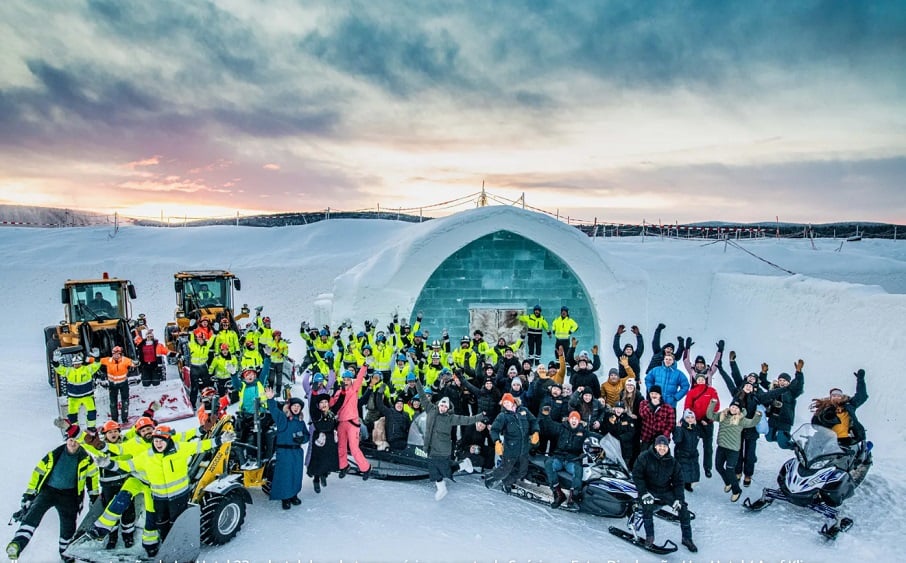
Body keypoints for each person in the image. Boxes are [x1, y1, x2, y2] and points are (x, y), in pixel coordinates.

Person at [95, 425, 228, 557]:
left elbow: (201, 445)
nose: (158, 443)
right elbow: (127, 465)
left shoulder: (180, 448)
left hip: (179, 496)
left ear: (168, 440)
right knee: (161, 523)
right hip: (159, 498)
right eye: (155, 440)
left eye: (161, 440)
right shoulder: (147, 456)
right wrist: (108, 464)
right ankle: (166, 548)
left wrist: (221, 440)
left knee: (177, 523)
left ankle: (179, 549)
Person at [6, 425, 100, 561]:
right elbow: (37, 474)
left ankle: (66, 555)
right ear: (67, 440)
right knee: (33, 514)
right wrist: (29, 495)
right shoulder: (54, 455)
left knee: (68, 527)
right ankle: (17, 544)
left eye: (76, 441)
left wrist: (94, 497)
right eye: (71, 440)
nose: (73, 443)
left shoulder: (86, 459)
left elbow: (92, 479)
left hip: (69, 496)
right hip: (48, 491)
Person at [417, 373, 485, 500]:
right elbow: (422, 397)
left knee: (445, 469)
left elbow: (467, 420)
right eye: (442, 405)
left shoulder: (450, 418)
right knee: (433, 468)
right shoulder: (431, 410)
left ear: (448, 408)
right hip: (431, 447)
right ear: (438, 405)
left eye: (445, 406)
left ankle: (463, 464)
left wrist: (480, 416)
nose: (443, 408)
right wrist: (417, 382)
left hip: (443, 448)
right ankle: (442, 487)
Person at [632, 435, 697, 553]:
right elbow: (637, 475)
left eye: (664, 446)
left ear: (668, 447)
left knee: (683, 509)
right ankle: (649, 537)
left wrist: (679, 499)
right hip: (649, 490)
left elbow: (679, 482)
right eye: (659, 446)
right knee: (647, 508)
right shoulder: (645, 457)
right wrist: (643, 493)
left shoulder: (673, 462)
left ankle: (687, 538)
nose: (662, 448)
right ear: (655, 446)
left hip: (666, 490)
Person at [706, 398, 762, 502]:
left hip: (733, 449)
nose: (734, 409)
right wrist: (713, 403)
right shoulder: (723, 415)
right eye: (732, 406)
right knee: (718, 466)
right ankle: (728, 483)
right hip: (722, 446)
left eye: (736, 407)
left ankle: (736, 490)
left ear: (739, 410)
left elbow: (752, 423)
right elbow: (710, 415)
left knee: (730, 469)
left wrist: (758, 415)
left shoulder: (741, 419)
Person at [484, 393, 539, 492]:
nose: (506, 404)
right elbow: (494, 430)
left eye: (508, 402)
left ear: (513, 401)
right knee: (504, 470)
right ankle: (490, 478)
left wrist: (536, 432)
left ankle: (506, 483)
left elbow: (533, 421)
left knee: (522, 472)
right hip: (511, 450)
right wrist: (497, 442)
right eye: (504, 403)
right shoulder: (503, 416)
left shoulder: (524, 411)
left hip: (524, 449)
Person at [266, 389, 310, 509]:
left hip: (297, 452)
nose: (296, 408)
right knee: (284, 475)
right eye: (294, 406)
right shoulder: (282, 419)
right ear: (290, 407)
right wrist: (270, 399)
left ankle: (294, 495)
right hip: (284, 452)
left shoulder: (300, 422)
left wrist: (302, 439)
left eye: (299, 406)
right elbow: (274, 410)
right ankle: (285, 498)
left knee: (296, 474)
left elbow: (307, 435)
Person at [330, 367, 372, 480]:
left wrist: (364, 366)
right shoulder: (338, 392)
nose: (346, 381)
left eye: (348, 379)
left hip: (352, 422)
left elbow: (359, 377)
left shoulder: (354, 389)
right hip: (341, 423)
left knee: (354, 448)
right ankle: (343, 466)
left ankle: (366, 467)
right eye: (344, 379)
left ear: (351, 380)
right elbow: (331, 404)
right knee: (341, 447)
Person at [811, 368, 868, 446]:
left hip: (846, 439)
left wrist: (860, 380)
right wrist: (825, 420)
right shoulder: (824, 408)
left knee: (855, 454)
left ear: (842, 397)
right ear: (830, 398)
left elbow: (862, 396)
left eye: (838, 396)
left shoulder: (848, 406)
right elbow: (815, 423)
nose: (836, 397)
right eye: (834, 396)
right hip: (828, 441)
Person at [545, 411, 587, 509]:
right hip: (559, 458)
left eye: (576, 419)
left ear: (579, 421)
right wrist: (545, 416)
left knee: (578, 469)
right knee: (549, 464)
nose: (574, 421)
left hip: (572, 460)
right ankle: (558, 493)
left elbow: (594, 436)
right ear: (569, 419)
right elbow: (550, 425)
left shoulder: (583, 431)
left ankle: (573, 496)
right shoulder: (562, 428)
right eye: (572, 418)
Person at [759, 360, 806, 450]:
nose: (782, 382)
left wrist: (799, 373)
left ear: (789, 382)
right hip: (773, 418)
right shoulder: (774, 389)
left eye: (784, 381)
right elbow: (763, 382)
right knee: (768, 438)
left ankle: (796, 446)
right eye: (780, 380)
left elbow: (799, 385)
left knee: (783, 444)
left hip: (785, 420)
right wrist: (763, 372)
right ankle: (784, 439)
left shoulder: (792, 392)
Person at [683, 371, 720, 478]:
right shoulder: (692, 392)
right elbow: (687, 406)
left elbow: (716, 405)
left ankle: (707, 467)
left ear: (706, 380)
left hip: (707, 422)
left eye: (702, 379)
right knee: (691, 445)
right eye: (699, 379)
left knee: (708, 446)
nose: (700, 381)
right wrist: (691, 419)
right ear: (696, 380)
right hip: (696, 422)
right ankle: (690, 469)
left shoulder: (711, 391)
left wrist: (707, 419)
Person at [55, 353, 102, 429]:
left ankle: (91, 427)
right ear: (73, 364)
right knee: (72, 414)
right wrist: (55, 362)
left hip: (87, 396)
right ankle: (74, 428)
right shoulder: (69, 371)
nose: (77, 365)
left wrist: (97, 357)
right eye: (75, 364)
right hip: (73, 398)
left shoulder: (87, 369)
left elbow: (96, 365)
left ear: (81, 363)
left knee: (92, 411)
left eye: (78, 364)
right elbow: (60, 369)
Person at [308, 395, 340, 493]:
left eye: (326, 402)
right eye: (321, 403)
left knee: (328, 459)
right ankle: (316, 480)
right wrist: (313, 393)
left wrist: (343, 392)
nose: (324, 404)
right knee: (318, 460)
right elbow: (312, 407)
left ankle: (324, 475)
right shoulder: (316, 414)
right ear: (319, 405)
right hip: (320, 439)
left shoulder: (331, 413)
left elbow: (339, 403)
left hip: (330, 439)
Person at [99, 346, 134, 424]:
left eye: (118, 354)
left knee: (125, 402)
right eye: (114, 354)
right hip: (113, 385)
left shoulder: (125, 360)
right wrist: (88, 359)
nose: (116, 355)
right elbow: (98, 361)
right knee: (113, 403)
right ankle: (114, 419)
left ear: (121, 354)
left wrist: (136, 363)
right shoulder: (108, 360)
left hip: (123, 384)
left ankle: (124, 418)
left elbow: (133, 363)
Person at [638, 385, 675, 452]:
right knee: (644, 458)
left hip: (661, 440)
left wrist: (663, 435)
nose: (654, 395)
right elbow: (642, 414)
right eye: (652, 393)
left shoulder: (668, 408)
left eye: (656, 394)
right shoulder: (643, 403)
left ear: (660, 395)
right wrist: (651, 405)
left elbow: (671, 424)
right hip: (646, 437)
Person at [673, 409, 701, 492]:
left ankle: (688, 484)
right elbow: (677, 440)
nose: (690, 419)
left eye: (692, 417)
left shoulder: (695, 427)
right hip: (682, 453)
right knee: (682, 470)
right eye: (688, 417)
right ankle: (680, 484)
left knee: (692, 468)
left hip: (692, 452)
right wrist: (678, 429)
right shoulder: (681, 427)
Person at [187, 329, 214, 407]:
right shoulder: (193, 345)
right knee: (194, 386)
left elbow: (212, 339)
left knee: (206, 385)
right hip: (194, 368)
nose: (200, 341)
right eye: (198, 339)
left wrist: (214, 334)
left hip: (203, 367)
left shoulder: (207, 345)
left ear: (204, 339)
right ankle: (193, 404)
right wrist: (191, 333)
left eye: (201, 339)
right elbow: (191, 339)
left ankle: (207, 401)